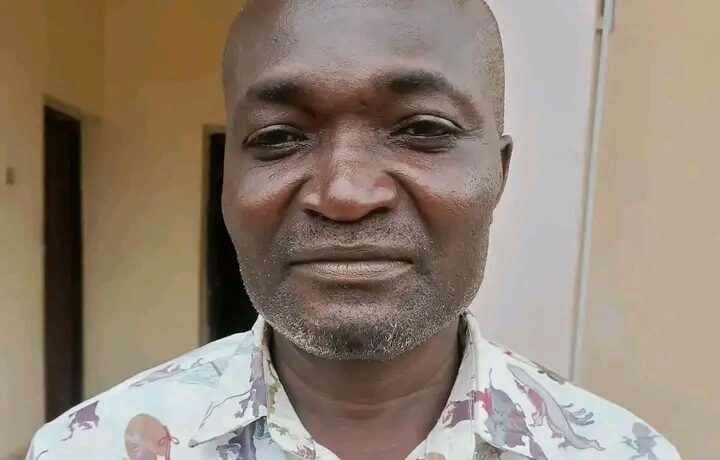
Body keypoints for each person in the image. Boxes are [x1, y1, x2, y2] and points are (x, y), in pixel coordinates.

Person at [26, 1, 680, 459]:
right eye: (278, 137)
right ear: (227, 178)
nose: (345, 193)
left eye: (423, 129)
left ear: (498, 174)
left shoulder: (620, 452)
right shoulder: (89, 448)